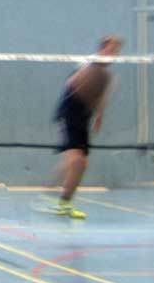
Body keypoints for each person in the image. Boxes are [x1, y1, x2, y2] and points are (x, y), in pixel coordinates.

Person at [48, 35, 123, 219]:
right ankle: (57, 199)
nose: (114, 54)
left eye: (116, 51)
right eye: (111, 49)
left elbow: (102, 97)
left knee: (77, 163)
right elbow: (71, 84)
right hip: (70, 112)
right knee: (77, 161)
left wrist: (98, 116)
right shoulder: (88, 64)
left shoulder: (108, 76)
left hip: (84, 117)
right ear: (102, 49)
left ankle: (55, 198)